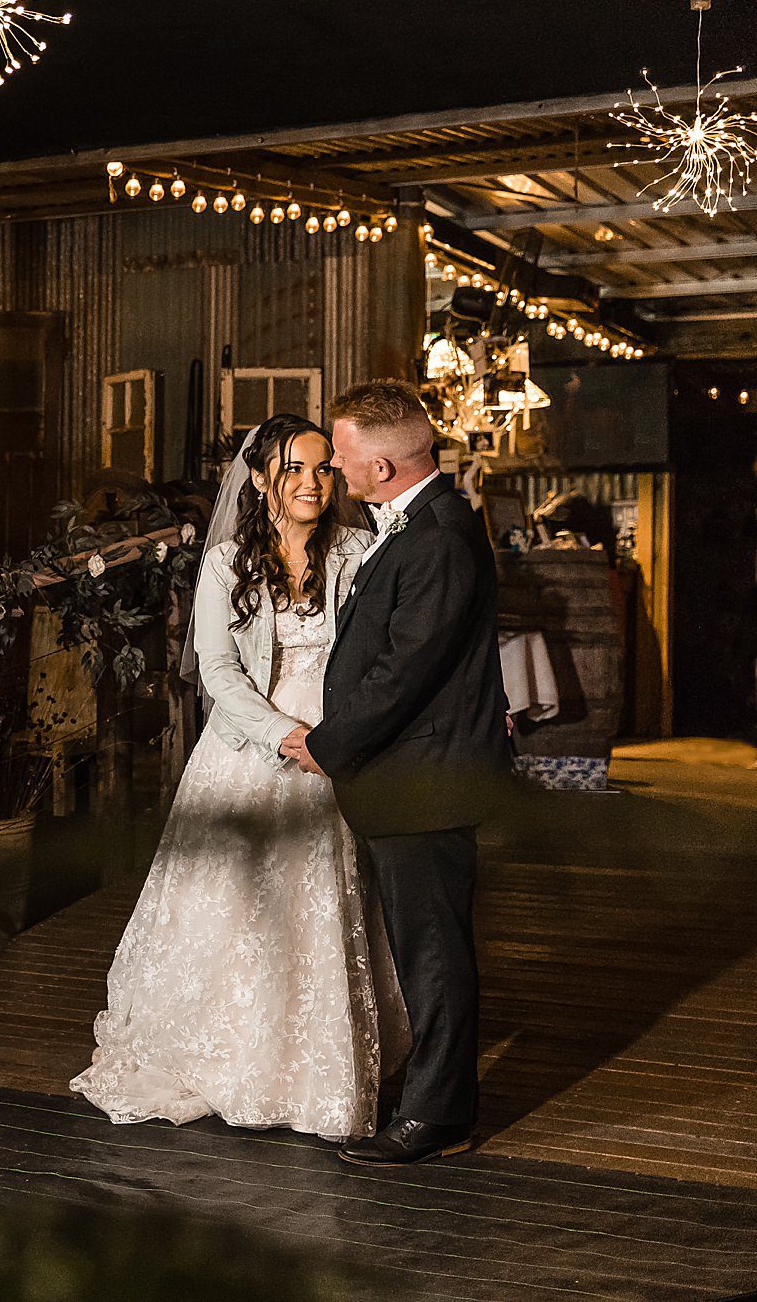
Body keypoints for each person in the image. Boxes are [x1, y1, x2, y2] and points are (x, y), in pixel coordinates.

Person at [71, 414, 407, 1142]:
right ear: (259, 479)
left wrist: (342, 739)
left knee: (326, 902)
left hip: (339, 747)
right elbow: (218, 671)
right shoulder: (228, 562)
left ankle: (319, 1068)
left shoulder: (358, 550)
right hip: (252, 747)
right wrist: (283, 734)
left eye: (323, 467)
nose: (312, 483)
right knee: (240, 908)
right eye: (293, 469)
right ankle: (227, 1054)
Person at [283, 379, 514, 1167]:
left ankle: (438, 1117)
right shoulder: (421, 522)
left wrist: (329, 743)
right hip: (410, 773)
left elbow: (404, 670)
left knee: (434, 953)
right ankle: (430, 1095)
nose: (336, 471)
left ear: (381, 467)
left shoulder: (440, 535)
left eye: (344, 458)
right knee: (422, 947)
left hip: (425, 778)